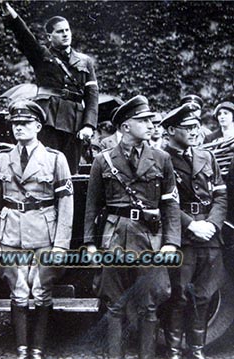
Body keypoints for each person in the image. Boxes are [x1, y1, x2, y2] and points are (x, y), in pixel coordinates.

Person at [84, 95, 181, 359]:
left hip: (150, 239)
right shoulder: (103, 161)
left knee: (149, 306)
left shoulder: (161, 159)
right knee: (114, 305)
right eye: (143, 120)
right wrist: (91, 244)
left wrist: (171, 242)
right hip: (114, 237)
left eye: (151, 120)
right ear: (126, 126)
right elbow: (92, 206)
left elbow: (170, 205)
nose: (151, 125)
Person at [0, 99, 73, 359]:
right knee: (19, 290)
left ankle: (38, 348)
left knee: (41, 290)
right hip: (10, 232)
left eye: (24, 124)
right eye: (15, 124)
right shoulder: (1, 159)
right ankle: (22, 349)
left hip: (45, 233)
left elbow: (66, 205)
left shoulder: (56, 159)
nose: (18, 128)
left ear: (37, 126)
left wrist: (61, 244)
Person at [161, 103, 227, 359]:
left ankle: (196, 349)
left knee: (204, 294)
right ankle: (174, 351)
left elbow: (221, 195)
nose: (194, 131)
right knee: (178, 295)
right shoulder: (160, 158)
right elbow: (161, 201)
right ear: (170, 130)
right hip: (183, 235)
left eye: (196, 126)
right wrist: (192, 225)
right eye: (187, 127)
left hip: (210, 235)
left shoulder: (206, 156)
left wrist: (212, 223)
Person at [1, 2, 99, 174]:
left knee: (70, 173)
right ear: (49, 36)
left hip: (75, 123)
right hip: (49, 120)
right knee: (46, 169)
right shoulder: (41, 55)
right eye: (60, 31)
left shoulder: (85, 61)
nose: (65, 34)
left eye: (67, 30)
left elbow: (92, 96)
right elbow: (25, 36)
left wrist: (89, 125)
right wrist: (12, 16)